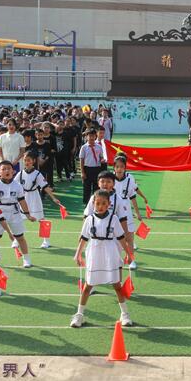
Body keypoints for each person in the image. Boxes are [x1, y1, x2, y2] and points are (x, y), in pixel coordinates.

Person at [70, 190, 134, 328]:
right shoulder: (89, 219)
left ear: (109, 204)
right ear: (93, 203)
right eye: (98, 203)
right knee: (88, 285)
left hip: (110, 252)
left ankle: (125, 314)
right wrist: (78, 254)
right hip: (94, 252)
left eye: (104, 203)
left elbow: (121, 238)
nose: (100, 206)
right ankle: (79, 315)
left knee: (116, 285)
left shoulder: (114, 219)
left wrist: (129, 253)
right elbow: (84, 238)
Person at [0, 161, 36, 268]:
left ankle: (26, 259)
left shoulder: (17, 185)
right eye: (3, 169)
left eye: (9, 168)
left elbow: (22, 201)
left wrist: (28, 215)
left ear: (13, 171)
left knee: (20, 237)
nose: (7, 171)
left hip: (14, 213)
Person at [78, 129, 106, 204]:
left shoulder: (99, 147)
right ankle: (86, 204)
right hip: (87, 169)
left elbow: (101, 157)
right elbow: (81, 160)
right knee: (86, 188)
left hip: (97, 169)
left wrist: (102, 160)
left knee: (96, 187)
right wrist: (82, 172)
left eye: (93, 136)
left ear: (95, 136)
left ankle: (96, 202)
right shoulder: (84, 147)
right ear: (86, 137)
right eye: (89, 136)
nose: (91, 137)